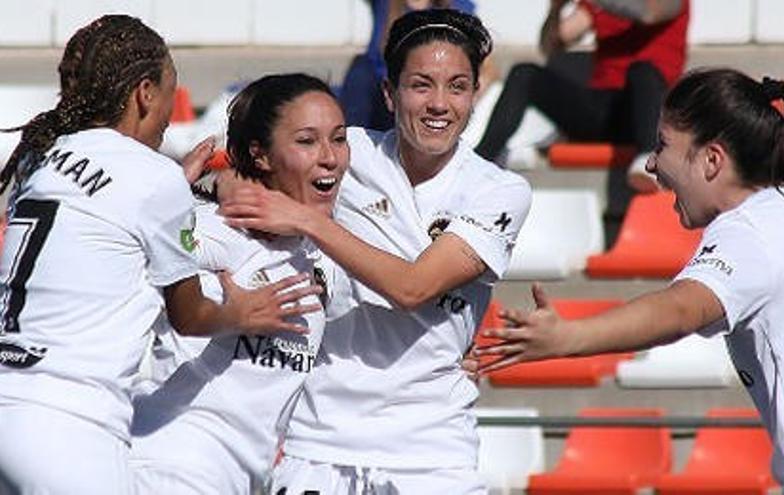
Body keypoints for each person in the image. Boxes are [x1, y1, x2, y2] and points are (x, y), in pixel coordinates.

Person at [477, 68, 784, 494]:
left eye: (663, 145)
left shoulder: (750, 229)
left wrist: (568, 337)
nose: (651, 162)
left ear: (712, 160)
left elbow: (681, 309)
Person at [220, 9, 532, 494]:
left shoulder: (499, 190)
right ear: (389, 94)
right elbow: (242, 173)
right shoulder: (348, 152)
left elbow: (414, 287)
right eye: (421, 85)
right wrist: (229, 186)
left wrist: (305, 219)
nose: (439, 104)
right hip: (317, 445)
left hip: (433, 454)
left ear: (476, 95)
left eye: (457, 86)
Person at [0, 15, 305, 495]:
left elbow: (105, 219)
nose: (168, 116)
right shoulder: (151, 176)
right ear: (145, 93)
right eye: (169, 93)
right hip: (70, 426)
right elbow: (187, 315)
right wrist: (241, 312)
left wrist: (171, 194)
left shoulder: (45, 155)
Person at [127, 73, 345, 494]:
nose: (329, 157)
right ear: (259, 156)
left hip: (237, 474)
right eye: (306, 141)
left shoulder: (322, 250)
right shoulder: (220, 230)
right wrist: (167, 201)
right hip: (173, 463)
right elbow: (118, 259)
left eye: (338, 139)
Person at [475, 0, 689, 246]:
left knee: (642, 70)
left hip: (646, 114)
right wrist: (555, 9)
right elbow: (552, 46)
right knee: (525, 73)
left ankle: (647, 157)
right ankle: (481, 163)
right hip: (600, 110)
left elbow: (649, 15)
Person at [340, 0, 498, 132]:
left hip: (421, 92)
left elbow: (489, 68)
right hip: (381, 88)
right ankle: (347, 139)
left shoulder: (456, 7)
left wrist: (462, 99)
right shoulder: (386, 4)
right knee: (361, 72)